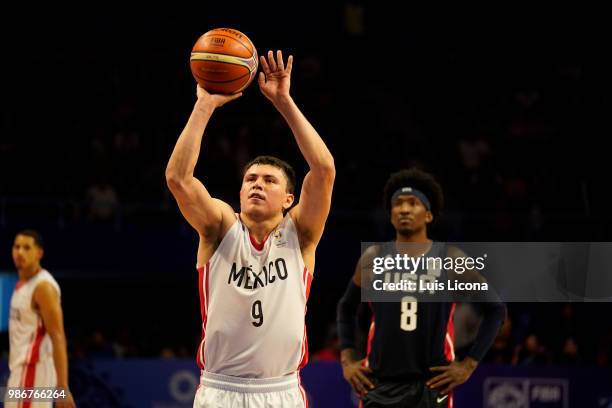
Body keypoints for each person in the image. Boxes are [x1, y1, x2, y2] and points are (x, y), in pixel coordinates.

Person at [166, 50, 335, 407]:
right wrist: (205, 106)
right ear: (240, 191)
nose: (257, 184)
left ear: (289, 198)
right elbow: (178, 179)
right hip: (219, 389)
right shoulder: (220, 227)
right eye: (250, 179)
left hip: (281, 391)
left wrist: (284, 102)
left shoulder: (300, 234)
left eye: (269, 180)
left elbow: (323, 170)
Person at [337, 169, 506, 407]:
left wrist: (469, 365)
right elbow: (346, 308)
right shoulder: (373, 258)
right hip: (379, 383)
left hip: (431, 385)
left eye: (413, 203)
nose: (404, 209)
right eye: (398, 204)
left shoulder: (449, 258)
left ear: (428, 215)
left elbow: (495, 309)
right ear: (391, 214)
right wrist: (348, 359)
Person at [6, 230, 75, 408]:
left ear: (39, 253)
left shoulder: (43, 287)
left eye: (27, 247)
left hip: (33, 371)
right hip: (20, 372)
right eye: (17, 247)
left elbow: (58, 336)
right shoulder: (22, 283)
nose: (20, 252)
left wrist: (62, 388)